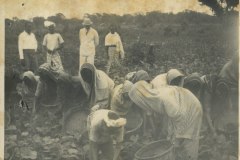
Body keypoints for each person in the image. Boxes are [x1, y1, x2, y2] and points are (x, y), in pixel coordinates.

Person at [129, 81, 203, 160]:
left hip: (191, 110)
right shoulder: (153, 97)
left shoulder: (163, 97)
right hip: (180, 110)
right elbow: (171, 115)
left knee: (188, 139)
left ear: (141, 97)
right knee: (173, 139)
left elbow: (180, 117)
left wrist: (178, 138)